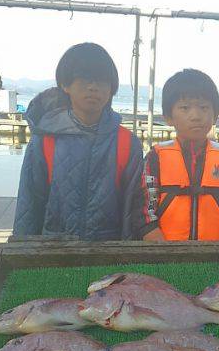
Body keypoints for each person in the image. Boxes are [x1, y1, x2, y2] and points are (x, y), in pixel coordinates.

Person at [13, 42, 142, 240]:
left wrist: (128, 254)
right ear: (65, 85)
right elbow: (29, 203)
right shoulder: (45, 139)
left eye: (102, 81)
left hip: (108, 250)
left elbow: (131, 208)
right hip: (53, 248)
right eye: (84, 80)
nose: (93, 87)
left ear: (112, 88)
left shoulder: (127, 142)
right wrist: (21, 251)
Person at [133, 68, 219, 241]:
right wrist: (155, 240)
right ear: (168, 117)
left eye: (204, 107)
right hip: (163, 253)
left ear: (215, 115)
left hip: (218, 255)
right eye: (184, 108)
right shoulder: (155, 158)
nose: (196, 116)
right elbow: (143, 205)